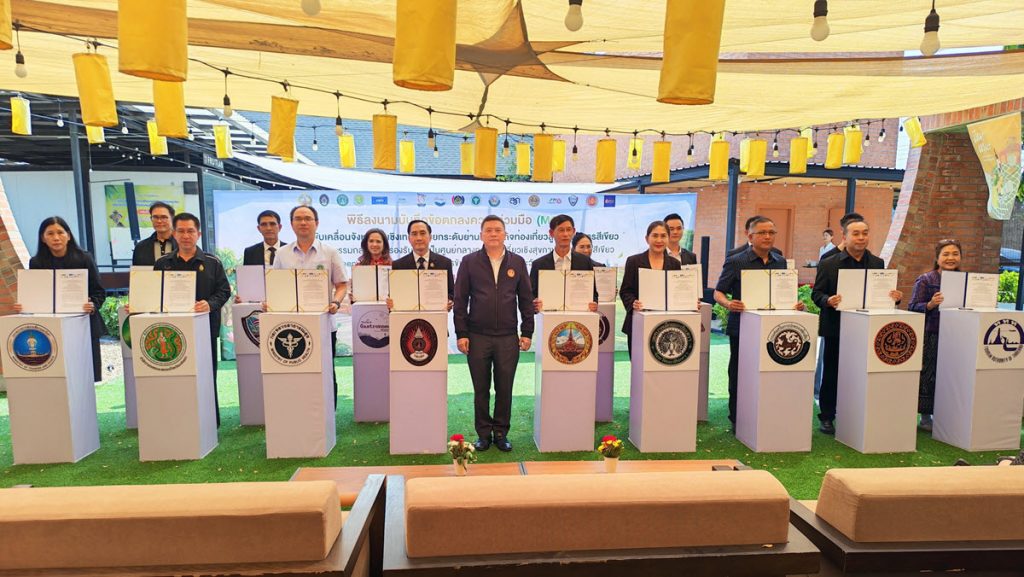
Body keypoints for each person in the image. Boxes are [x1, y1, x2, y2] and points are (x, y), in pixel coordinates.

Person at [812, 214, 902, 435]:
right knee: (832, 373)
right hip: (837, 328)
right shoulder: (829, 263)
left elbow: (883, 294)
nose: (861, 238)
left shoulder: (877, 263)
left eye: (865, 233)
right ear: (845, 237)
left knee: (863, 373)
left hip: (868, 328)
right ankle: (827, 416)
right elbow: (817, 294)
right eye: (856, 234)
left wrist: (895, 297)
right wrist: (828, 300)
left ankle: (857, 413)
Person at [714, 216, 804, 431]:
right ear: (750, 235)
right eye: (762, 232)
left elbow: (782, 292)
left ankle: (766, 414)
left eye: (771, 233)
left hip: (772, 329)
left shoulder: (780, 261)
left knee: (769, 371)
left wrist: (794, 304)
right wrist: (729, 304)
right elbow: (718, 292)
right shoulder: (735, 261)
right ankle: (738, 417)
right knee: (739, 372)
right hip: (742, 327)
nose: (767, 237)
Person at [454, 215, 533, 453]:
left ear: (505, 234)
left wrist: (527, 331)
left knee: (504, 388)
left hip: (508, 336)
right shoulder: (469, 262)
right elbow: (460, 300)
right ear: (481, 235)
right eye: (488, 230)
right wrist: (461, 333)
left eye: (498, 230)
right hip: (477, 336)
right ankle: (483, 434)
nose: (493, 234)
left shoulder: (517, 262)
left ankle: (500, 433)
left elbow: (526, 299)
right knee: (481, 389)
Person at [154, 212, 232, 426]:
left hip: (205, 329)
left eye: (190, 231)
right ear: (174, 234)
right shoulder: (163, 264)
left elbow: (224, 291)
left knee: (206, 375)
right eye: (181, 231)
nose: (186, 236)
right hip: (171, 331)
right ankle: (178, 421)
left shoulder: (212, 262)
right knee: (176, 375)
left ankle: (210, 422)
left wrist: (210, 304)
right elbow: (155, 294)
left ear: (199, 234)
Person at [272, 205, 349, 407]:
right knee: (297, 370)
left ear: (317, 223)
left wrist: (336, 302)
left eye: (308, 218)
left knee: (325, 370)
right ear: (291, 224)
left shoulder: (330, 252)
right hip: (292, 325)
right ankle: (299, 408)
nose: (303, 222)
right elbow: (275, 285)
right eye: (298, 219)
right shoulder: (281, 254)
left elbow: (342, 284)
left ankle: (329, 413)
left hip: (323, 324)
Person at [15, 217, 106, 382]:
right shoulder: (36, 262)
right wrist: (25, 305)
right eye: (50, 234)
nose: (56, 238)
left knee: (84, 376)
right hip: (51, 327)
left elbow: (99, 291)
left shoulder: (84, 258)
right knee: (58, 375)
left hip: (83, 324)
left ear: (68, 236)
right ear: (43, 238)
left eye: (60, 233)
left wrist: (92, 304)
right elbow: (36, 294)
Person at [908, 239, 962, 432]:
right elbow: (912, 307)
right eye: (945, 254)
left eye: (955, 254)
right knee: (928, 375)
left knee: (951, 375)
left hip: (958, 336)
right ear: (937, 258)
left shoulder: (964, 280)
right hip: (931, 334)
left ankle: (948, 415)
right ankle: (925, 417)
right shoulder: (926, 279)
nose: (950, 258)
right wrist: (930, 304)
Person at [619, 220, 682, 358]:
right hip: (638, 322)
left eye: (663, 236)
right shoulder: (633, 261)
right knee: (638, 363)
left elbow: (676, 293)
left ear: (668, 238)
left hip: (666, 325)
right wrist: (633, 303)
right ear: (647, 238)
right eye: (655, 236)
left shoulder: (675, 264)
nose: (659, 240)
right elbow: (625, 291)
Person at [530, 214, 597, 312]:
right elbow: (531, 296)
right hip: (549, 318)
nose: (565, 234)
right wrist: (535, 304)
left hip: (578, 317)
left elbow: (593, 294)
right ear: (551, 233)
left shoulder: (585, 262)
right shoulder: (539, 264)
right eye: (561, 230)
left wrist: (594, 304)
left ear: (573, 232)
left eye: (569, 230)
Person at [391, 219, 454, 307]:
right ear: (409, 238)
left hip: (436, 313)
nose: (419, 238)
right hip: (407, 314)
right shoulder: (398, 265)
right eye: (414, 234)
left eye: (422, 233)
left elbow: (451, 293)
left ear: (430, 237)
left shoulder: (444, 263)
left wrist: (449, 301)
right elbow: (395, 294)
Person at [132, 201, 177, 266]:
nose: (159, 221)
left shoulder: (182, 244)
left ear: (173, 219)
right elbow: (137, 270)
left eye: (164, 217)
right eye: (155, 217)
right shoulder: (140, 247)